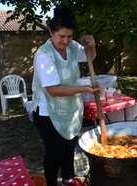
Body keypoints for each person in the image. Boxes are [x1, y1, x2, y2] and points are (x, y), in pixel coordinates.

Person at [30, 4, 99, 186]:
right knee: (55, 151)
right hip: (47, 111)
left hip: (69, 108)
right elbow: (53, 90)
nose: (66, 41)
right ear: (51, 32)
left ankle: (68, 178)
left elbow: (89, 57)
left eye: (69, 36)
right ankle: (52, 183)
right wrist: (84, 89)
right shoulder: (44, 55)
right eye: (62, 36)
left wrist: (92, 45)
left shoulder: (72, 47)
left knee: (69, 145)